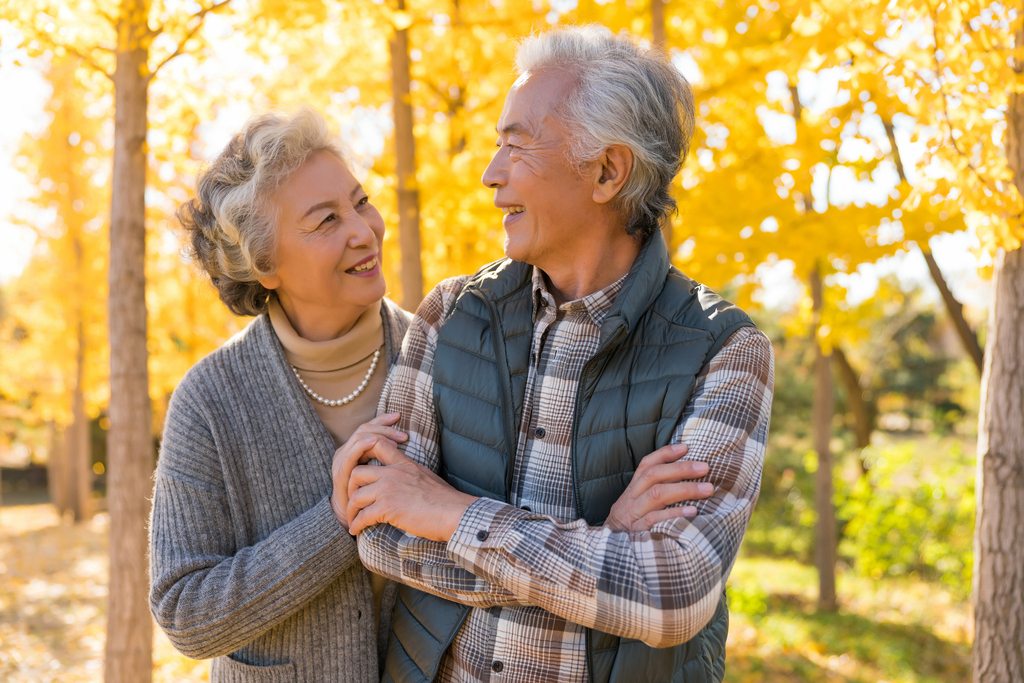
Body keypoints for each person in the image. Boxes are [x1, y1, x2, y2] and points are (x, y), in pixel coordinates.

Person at [343, 26, 775, 683]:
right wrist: (605, 542)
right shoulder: (450, 313)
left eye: (515, 145)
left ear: (607, 171)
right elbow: (380, 532)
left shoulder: (726, 351)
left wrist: (449, 512)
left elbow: (674, 595)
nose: (491, 175)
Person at [148, 108, 415, 683]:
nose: (363, 230)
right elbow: (186, 615)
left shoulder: (441, 357)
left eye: (360, 200)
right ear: (264, 265)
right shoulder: (210, 401)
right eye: (325, 221)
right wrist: (335, 522)